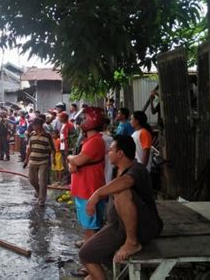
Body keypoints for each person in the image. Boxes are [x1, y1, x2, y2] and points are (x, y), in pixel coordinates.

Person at [79, 135, 163, 279]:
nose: (108, 153)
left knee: (121, 192)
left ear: (120, 153)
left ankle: (132, 242)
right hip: (118, 225)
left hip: (143, 227)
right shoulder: (115, 170)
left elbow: (126, 182)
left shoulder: (138, 169)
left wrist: (97, 193)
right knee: (85, 255)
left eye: (111, 150)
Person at [67, 108, 106, 261]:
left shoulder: (95, 141)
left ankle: (90, 262)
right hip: (84, 188)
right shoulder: (88, 140)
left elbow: (76, 160)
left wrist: (71, 158)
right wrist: (73, 162)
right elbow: (74, 163)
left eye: (83, 119)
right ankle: (88, 247)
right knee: (88, 225)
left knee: (91, 226)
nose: (80, 122)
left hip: (89, 190)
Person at [24, 118, 55, 207]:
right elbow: (29, 148)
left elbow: (52, 149)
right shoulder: (32, 135)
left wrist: (53, 160)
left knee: (42, 181)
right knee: (32, 180)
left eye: (34, 125)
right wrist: (26, 159)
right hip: (33, 160)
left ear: (39, 125)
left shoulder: (47, 135)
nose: (33, 126)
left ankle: (42, 200)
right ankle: (38, 192)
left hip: (44, 161)